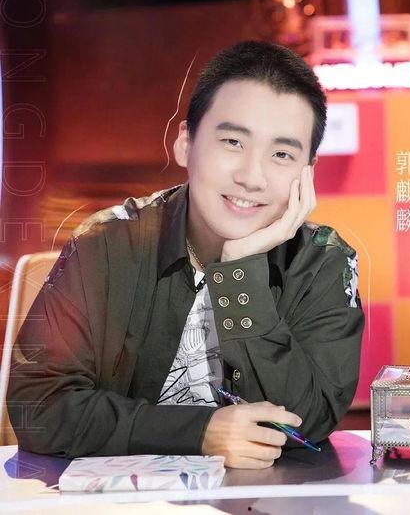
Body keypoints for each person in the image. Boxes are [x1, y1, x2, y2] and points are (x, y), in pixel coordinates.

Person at [7, 40, 365, 469]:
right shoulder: (108, 243)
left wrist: (240, 270)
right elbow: (39, 406)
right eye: (232, 142)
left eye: (282, 154)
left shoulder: (323, 262)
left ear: (308, 171)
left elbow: (308, 422)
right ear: (185, 143)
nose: (252, 176)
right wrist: (199, 433)